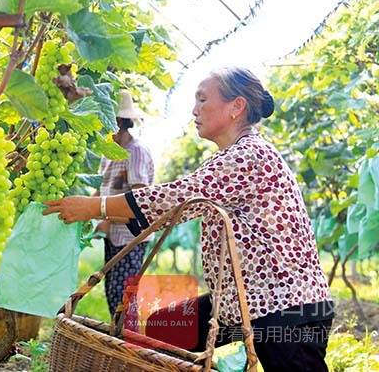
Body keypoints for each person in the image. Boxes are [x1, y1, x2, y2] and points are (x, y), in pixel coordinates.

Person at [43, 67, 334, 371]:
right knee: (163, 329)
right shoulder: (234, 154)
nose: (195, 110)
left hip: (285, 307)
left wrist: (94, 207)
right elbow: (179, 203)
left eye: (203, 100)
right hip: (243, 301)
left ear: (237, 107)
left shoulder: (248, 155)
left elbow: (177, 198)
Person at [94, 89, 155, 322]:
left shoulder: (135, 152)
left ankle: (128, 347)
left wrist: (105, 218)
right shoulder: (109, 152)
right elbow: (101, 188)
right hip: (114, 235)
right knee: (112, 291)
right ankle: (120, 343)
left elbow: (139, 199)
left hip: (130, 236)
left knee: (123, 296)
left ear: (118, 121)